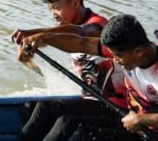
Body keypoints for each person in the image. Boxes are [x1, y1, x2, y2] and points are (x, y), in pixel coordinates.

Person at [11, 0, 127, 141]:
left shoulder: (99, 26)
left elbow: (80, 34)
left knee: (52, 111)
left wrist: (36, 34)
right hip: (91, 100)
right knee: (29, 105)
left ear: (75, 3)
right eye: (50, 10)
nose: (54, 15)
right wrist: (26, 54)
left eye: (57, 8)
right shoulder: (64, 30)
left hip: (114, 105)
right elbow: (49, 41)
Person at [21, 14, 158, 140]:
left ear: (138, 52)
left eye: (118, 56)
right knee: (63, 119)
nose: (115, 60)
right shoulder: (128, 50)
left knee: (83, 135)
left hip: (149, 133)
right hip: (131, 120)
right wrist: (44, 38)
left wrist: (141, 120)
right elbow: (82, 43)